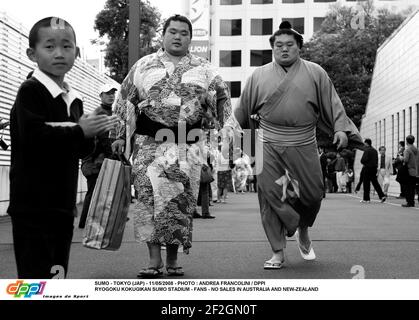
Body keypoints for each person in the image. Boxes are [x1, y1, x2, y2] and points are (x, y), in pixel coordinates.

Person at [111, 15, 235, 278]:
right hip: (148, 143)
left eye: (184, 33)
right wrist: (120, 135)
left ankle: (173, 259)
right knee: (147, 198)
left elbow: (223, 101)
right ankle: (153, 260)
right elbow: (124, 102)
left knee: (180, 200)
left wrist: (220, 129)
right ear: (163, 35)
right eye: (173, 32)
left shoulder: (205, 68)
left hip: (186, 144)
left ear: (190, 38)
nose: (178, 37)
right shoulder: (143, 66)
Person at [234, 21, 363, 269]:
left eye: (289, 45)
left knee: (313, 194)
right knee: (269, 196)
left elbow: (333, 104)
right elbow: (241, 111)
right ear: (272, 48)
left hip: (304, 141)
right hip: (268, 142)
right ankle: (277, 252)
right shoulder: (258, 76)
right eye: (278, 45)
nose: (284, 49)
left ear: (299, 47)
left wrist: (340, 128)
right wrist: (232, 130)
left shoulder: (316, 73)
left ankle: (302, 226)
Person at [8, 17, 117, 279]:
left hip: (62, 204)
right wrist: (81, 130)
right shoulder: (30, 91)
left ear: (76, 53)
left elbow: (78, 150)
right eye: (50, 47)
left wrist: (91, 134)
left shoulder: (74, 99)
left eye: (67, 46)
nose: (59, 53)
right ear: (32, 54)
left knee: (57, 273)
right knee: (36, 276)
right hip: (33, 206)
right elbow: (34, 138)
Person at [78, 83, 119, 228]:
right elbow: (103, 137)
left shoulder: (109, 112)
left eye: (113, 93)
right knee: (93, 191)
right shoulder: (101, 112)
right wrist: (110, 156)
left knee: (98, 191)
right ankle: (85, 223)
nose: (111, 96)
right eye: (107, 93)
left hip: (98, 159)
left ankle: (93, 221)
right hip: (94, 161)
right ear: (100, 96)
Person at [360, 139, 387, 203]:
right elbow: (377, 160)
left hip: (367, 168)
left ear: (366, 143)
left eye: (365, 144)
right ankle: (382, 196)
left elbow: (363, 160)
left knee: (366, 184)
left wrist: (365, 162)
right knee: (375, 183)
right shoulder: (375, 151)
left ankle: (366, 199)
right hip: (374, 169)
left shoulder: (366, 150)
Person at [400, 135, 419, 207]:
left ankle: (409, 202)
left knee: (407, 187)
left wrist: (401, 158)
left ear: (407, 141)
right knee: (412, 187)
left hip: (408, 171)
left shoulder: (407, 150)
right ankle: (412, 202)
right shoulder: (416, 149)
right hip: (415, 170)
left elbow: (406, 160)